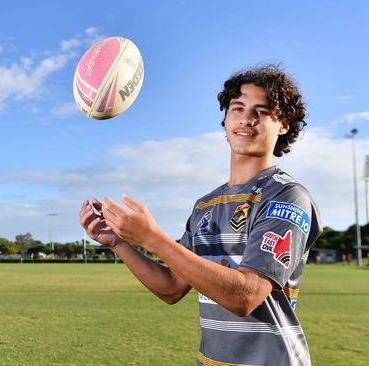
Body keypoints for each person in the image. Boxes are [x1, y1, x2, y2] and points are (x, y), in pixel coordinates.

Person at [79, 64, 322, 366]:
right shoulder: (205, 205)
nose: (246, 118)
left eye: (261, 111)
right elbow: (171, 287)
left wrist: (153, 238)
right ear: (225, 118)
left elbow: (245, 297)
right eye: (238, 107)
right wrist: (119, 243)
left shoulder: (286, 195)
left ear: (283, 124)